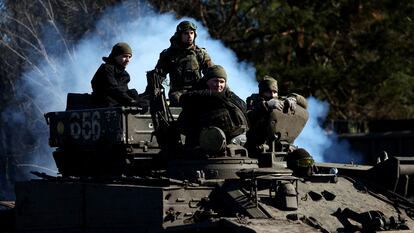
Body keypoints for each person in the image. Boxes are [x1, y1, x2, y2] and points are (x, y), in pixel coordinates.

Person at [179, 65, 248, 147]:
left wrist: (224, 98)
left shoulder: (227, 94)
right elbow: (184, 99)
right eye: (215, 81)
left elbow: (242, 106)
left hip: (229, 141)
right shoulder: (197, 92)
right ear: (207, 81)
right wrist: (211, 94)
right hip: (199, 142)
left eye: (222, 82)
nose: (218, 85)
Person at [153, 20, 214, 106]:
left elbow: (213, 73)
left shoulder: (200, 53)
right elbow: (158, 76)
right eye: (186, 33)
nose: (189, 36)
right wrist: (154, 91)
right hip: (178, 92)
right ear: (180, 35)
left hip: (198, 91)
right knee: (178, 100)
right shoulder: (169, 54)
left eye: (191, 33)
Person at [245, 76, 307, 156]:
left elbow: (305, 104)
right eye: (268, 92)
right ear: (262, 92)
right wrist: (266, 105)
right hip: (257, 148)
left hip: (280, 147)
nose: (272, 95)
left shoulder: (280, 100)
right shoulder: (254, 102)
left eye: (274, 92)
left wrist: (294, 98)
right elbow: (249, 117)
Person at [91, 42, 148, 110]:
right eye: (125, 56)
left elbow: (123, 92)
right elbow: (113, 89)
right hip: (106, 106)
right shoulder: (107, 69)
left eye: (129, 57)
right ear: (115, 56)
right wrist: (131, 101)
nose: (128, 60)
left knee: (134, 93)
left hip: (118, 104)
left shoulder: (124, 74)